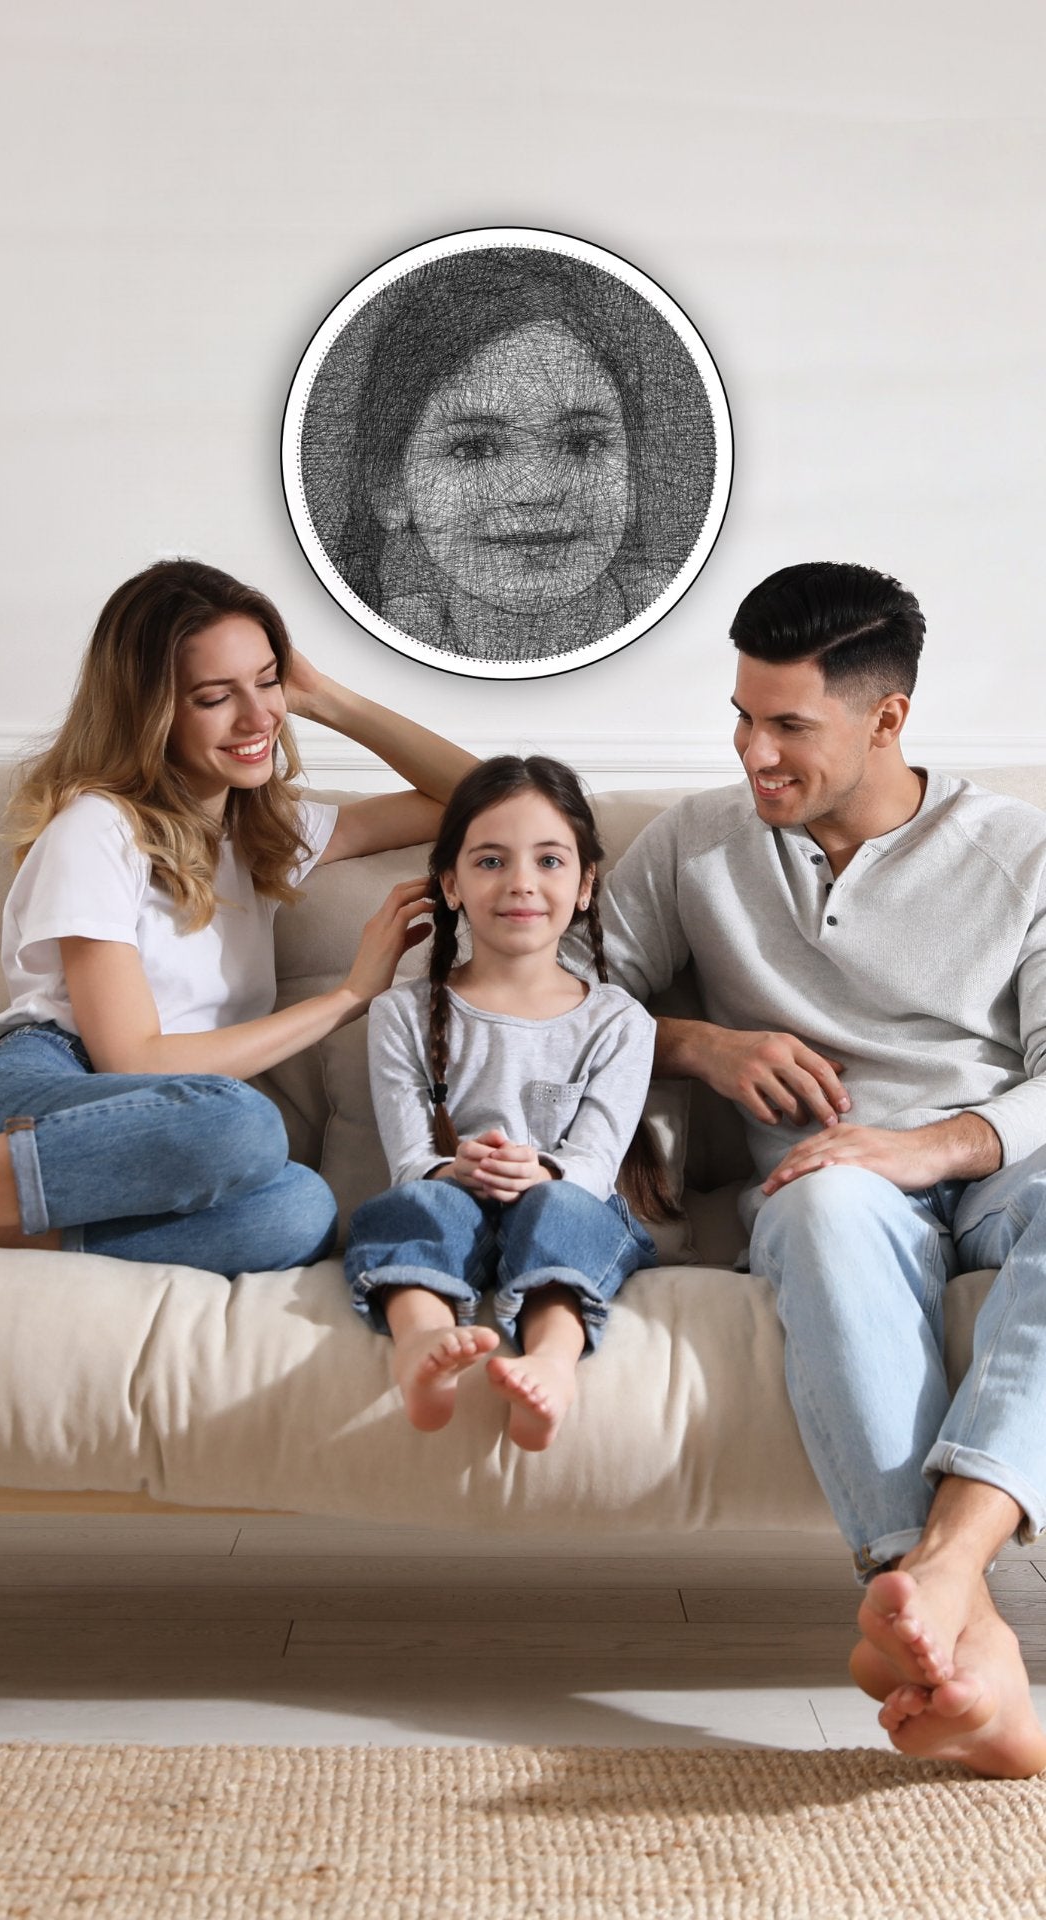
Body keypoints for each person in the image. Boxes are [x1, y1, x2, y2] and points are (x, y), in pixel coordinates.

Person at [590, 559, 1046, 1778]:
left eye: (790, 725)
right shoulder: (697, 844)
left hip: (995, 1162)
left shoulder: (1019, 849)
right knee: (823, 1199)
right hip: (826, 1184)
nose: (754, 754)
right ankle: (965, 1631)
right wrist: (699, 1044)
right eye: (742, 717)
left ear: (887, 718)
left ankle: (939, 1583)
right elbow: (566, 1000)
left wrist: (938, 1144)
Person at [0, 557, 476, 1276]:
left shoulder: (265, 835)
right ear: (151, 712)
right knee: (240, 1124)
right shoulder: (98, 829)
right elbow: (130, 1061)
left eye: (267, 681)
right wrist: (348, 998)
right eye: (215, 697)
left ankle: (5, 1231)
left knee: (301, 1210)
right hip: (45, 1093)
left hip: (164, 1120)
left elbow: (486, 800)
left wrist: (328, 698)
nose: (259, 716)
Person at [343, 754, 670, 1449]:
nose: (521, 882)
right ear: (450, 885)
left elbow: (595, 1164)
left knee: (563, 1208)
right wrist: (453, 1169)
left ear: (585, 886)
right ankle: (423, 1344)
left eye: (549, 862)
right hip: (451, 1201)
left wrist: (538, 1172)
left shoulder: (619, 1022)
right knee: (412, 1206)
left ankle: (550, 1363)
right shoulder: (399, 1014)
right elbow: (409, 1162)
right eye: (490, 861)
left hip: (564, 1201)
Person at [327, 251, 690, 664]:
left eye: (582, 442)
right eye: (474, 449)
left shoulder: (691, 630)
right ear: (389, 489)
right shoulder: (365, 650)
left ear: (636, 471)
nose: (538, 492)